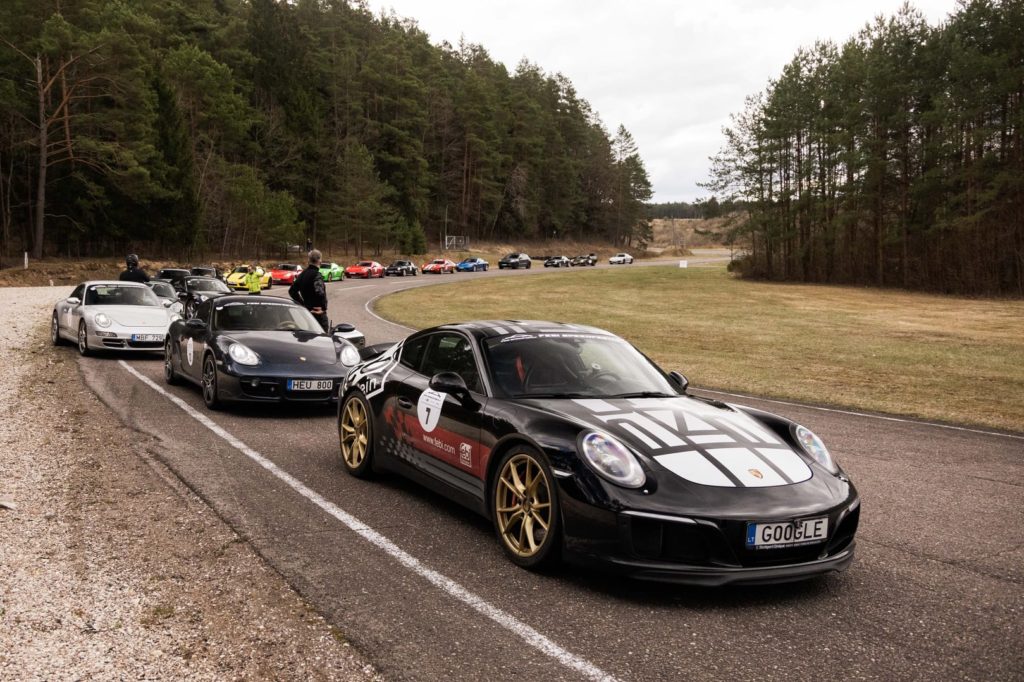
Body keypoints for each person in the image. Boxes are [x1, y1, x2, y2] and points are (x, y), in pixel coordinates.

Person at [289, 249, 329, 331]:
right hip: (318, 314)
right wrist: (323, 308)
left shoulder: (302, 274)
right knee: (322, 339)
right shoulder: (317, 275)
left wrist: (303, 305)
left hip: (306, 314)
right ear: (319, 260)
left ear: (309, 260)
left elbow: (292, 291)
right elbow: (320, 293)